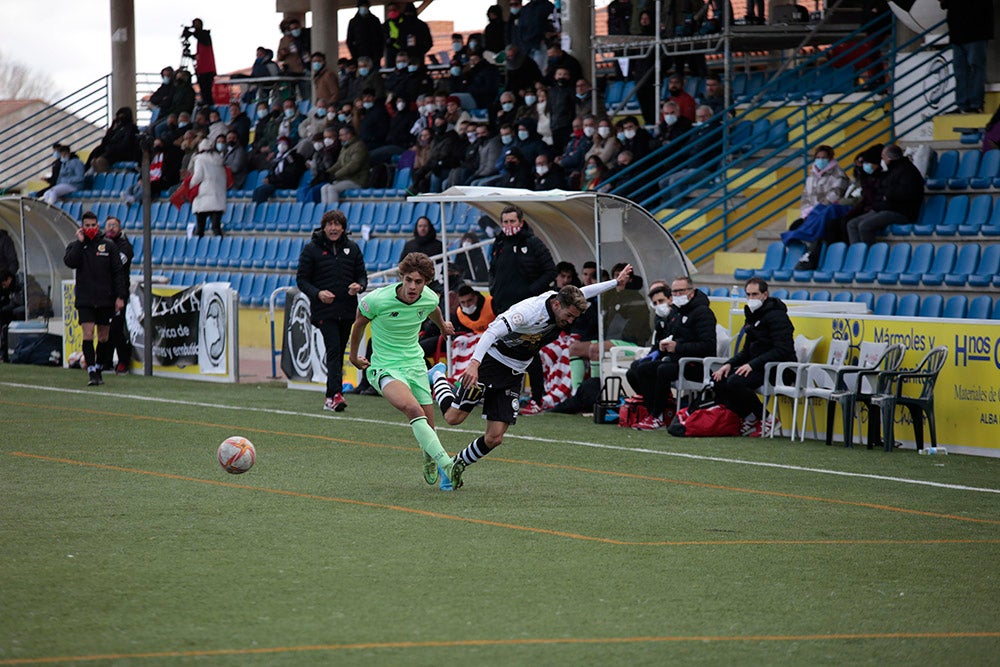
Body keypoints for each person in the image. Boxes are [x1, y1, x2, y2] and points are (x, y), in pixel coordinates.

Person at [427, 264, 633, 481]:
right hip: (492, 363)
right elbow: (491, 332)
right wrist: (474, 364)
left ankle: (454, 465)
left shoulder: (564, 300)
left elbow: (586, 292)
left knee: (495, 437)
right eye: (569, 316)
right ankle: (438, 376)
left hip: (515, 372)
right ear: (556, 304)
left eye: (574, 317)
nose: (570, 321)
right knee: (453, 417)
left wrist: (615, 283)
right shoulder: (527, 313)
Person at [348, 252, 465, 489]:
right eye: (408, 280)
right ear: (401, 277)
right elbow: (359, 322)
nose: (412, 286)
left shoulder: (430, 298)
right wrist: (352, 357)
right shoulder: (378, 300)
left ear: (426, 282)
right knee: (412, 408)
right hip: (384, 366)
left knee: (428, 426)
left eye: (418, 282)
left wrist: (442, 327)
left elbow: (433, 309)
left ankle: (429, 456)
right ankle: (448, 464)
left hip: (415, 364)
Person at [488, 204, 557, 413]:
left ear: (521, 222)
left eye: (512, 222)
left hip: (526, 311)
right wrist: (494, 291)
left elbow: (550, 271)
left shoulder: (532, 242)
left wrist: (530, 293)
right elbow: (494, 271)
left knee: (529, 352)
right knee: (502, 351)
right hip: (503, 307)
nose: (509, 226)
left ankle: (537, 398)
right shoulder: (498, 243)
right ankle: (503, 394)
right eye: (505, 222)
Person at [297, 210, 368, 412]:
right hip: (324, 311)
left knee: (339, 351)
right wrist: (318, 294)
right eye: (330, 224)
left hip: (347, 310)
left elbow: (362, 276)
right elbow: (302, 280)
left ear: (343, 228)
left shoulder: (352, 248)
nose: (334, 228)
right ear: (324, 226)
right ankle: (334, 395)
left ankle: (332, 396)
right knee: (334, 350)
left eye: (338, 224)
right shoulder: (312, 249)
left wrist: (359, 286)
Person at [626, 277, 717, 430]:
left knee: (663, 369)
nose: (678, 294)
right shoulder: (677, 313)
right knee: (641, 368)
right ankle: (656, 413)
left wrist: (678, 347)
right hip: (677, 360)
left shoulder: (703, 313)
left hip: (696, 364)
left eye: (682, 290)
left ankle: (657, 415)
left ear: (691, 292)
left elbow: (708, 346)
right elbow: (673, 337)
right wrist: (664, 347)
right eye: (675, 291)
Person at [711, 278, 795, 437]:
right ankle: (749, 417)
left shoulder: (777, 316)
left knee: (735, 381)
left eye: (755, 294)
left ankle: (768, 419)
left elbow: (783, 349)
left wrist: (753, 364)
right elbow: (746, 351)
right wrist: (729, 364)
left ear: (765, 295)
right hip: (759, 366)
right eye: (748, 295)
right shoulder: (752, 315)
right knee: (719, 379)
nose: (751, 299)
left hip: (779, 368)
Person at [63, 211, 129, 386]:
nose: (90, 228)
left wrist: (120, 296)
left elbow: (118, 273)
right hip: (85, 298)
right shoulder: (76, 246)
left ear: (97, 226)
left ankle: (99, 366)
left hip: (105, 298)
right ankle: (92, 370)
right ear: (82, 227)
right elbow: (70, 262)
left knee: (103, 337)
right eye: (87, 226)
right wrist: (80, 242)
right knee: (88, 333)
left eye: (93, 225)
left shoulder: (108, 246)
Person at [846, 144, 923, 245]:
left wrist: (887, 196)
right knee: (851, 224)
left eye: (882, 157)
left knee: (864, 226)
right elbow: (881, 191)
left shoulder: (908, 171)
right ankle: (857, 255)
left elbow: (906, 194)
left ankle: (869, 255)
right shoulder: (890, 171)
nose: (881, 160)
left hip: (901, 212)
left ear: (889, 158)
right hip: (885, 208)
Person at [940, 0, 993, 114]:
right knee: (960, 71)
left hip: (976, 30)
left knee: (975, 67)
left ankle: (975, 104)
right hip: (958, 31)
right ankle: (963, 104)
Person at [103, 216, 133, 374]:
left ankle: (123, 361)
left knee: (116, 327)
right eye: (109, 225)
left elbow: (116, 265)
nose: (112, 228)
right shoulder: (101, 243)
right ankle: (104, 361)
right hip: (103, 292)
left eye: (115, 225)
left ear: (120, 228)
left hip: (118, 293)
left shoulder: (125, 246)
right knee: (104, 327)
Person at [189, 139, 227, 237]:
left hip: (203, 196)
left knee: (200, 228)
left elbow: (198, 176)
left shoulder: (200, 159)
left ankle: (198, 247)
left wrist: (190, 184)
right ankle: (220, 246)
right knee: (216, 227)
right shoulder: (219, 160)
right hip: (218, 196)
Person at [87, 107, 140, 173]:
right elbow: (105, 141)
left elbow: (126, 144)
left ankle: (107, 177)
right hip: (111, 152)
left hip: (121, 153)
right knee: (94, 161)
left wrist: (112, 147)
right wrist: (112, 129)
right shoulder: (118, 128)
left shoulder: (131, 128)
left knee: (101, 161)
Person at [185, 19, 217, 106]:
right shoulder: (202, 38)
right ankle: (206, 104)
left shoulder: (205, 36)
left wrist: (191, 33)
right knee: (204, 90)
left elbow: (201, 36)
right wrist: (191, 56)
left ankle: (208, 106)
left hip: (207, 70)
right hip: (203, 69)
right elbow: (200, 56)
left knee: (206, 91)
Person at [347, 0, 384, 69]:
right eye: (362, 6)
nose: (363, 8)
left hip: (374, 54)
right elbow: (349, 40)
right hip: (360, 54)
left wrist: (379, 54)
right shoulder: (353, 22)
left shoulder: (375, 20)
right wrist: (355, 55)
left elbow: (381, 38)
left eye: (365, 6)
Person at [0, 269, 26, 363]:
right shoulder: (12, 288)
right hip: (17, 310)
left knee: (15, 312)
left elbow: (22, 302)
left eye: (4, 284)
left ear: (9, 279)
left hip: (27, 311)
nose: (4, 287)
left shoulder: (20, 285)